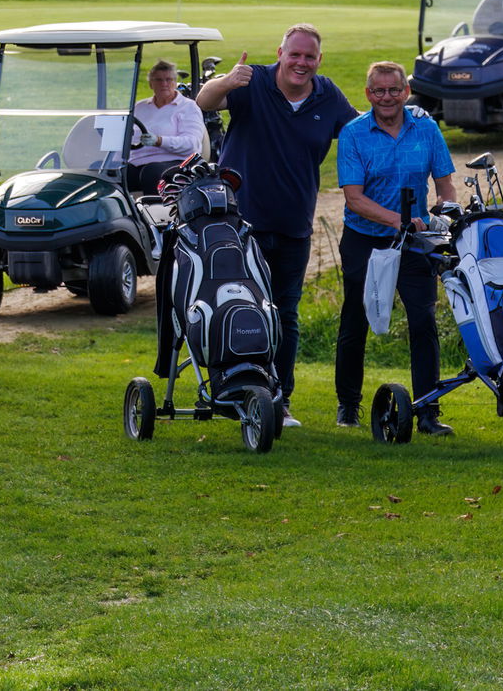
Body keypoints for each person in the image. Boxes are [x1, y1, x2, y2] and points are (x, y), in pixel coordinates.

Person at [197, 24, 358, 428]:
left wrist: (406, 119)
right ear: (280, 53)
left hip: (293, 225)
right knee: (235, 306)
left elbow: (360, 131)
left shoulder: (328, 95)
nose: (301, 63)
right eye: (295, 54)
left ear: (318, 61)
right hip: (240, 224)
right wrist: (226, 81)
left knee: (284, 314)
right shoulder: (252, 82)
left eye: (309, 57)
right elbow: (204, 102)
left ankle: (279, 400)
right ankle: (235, 391)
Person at [333, 61, 457, 435]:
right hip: (364, 240)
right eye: (378, 91)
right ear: (368, 94)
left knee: (423, 322)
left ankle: (428, 413)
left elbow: (446, 187)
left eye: (394, 90)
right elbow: (354, 198)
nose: (387, 97)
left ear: (406, 92)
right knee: (356, 321)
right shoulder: (353, 134)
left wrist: (447, 218)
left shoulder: (426, 127)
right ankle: (348, 406)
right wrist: (396, 219)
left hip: (415, 242)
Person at [127, 59, 206, 195]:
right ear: (151, 84)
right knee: (115, 173)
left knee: (151, 173)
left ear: (175, 82)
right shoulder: (139, 107)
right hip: (138, 161)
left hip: (178, 161)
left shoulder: (188, 107)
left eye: (168, 80)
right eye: (158, 80)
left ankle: (155, 213)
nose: (164, 84)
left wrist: (159, 141)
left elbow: (191, 144)